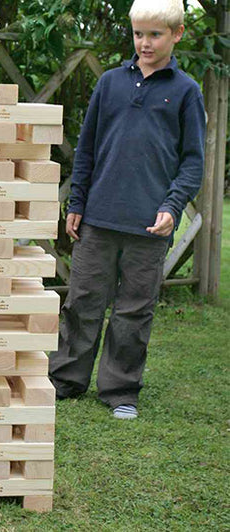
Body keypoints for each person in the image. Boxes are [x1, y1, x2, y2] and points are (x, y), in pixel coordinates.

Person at [48, 0, 205, 419]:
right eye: (138, 34)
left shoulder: (187, 91)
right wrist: (76, 201)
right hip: (98, 216)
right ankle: (66, 379)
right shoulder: (111, 83)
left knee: (134, 310)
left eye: (155, 34)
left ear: (177, 35)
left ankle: (120, 390)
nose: (145, 42)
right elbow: (87, 148)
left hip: (149, 225)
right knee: (82, 301)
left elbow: (193, 162)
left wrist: (172, 207)